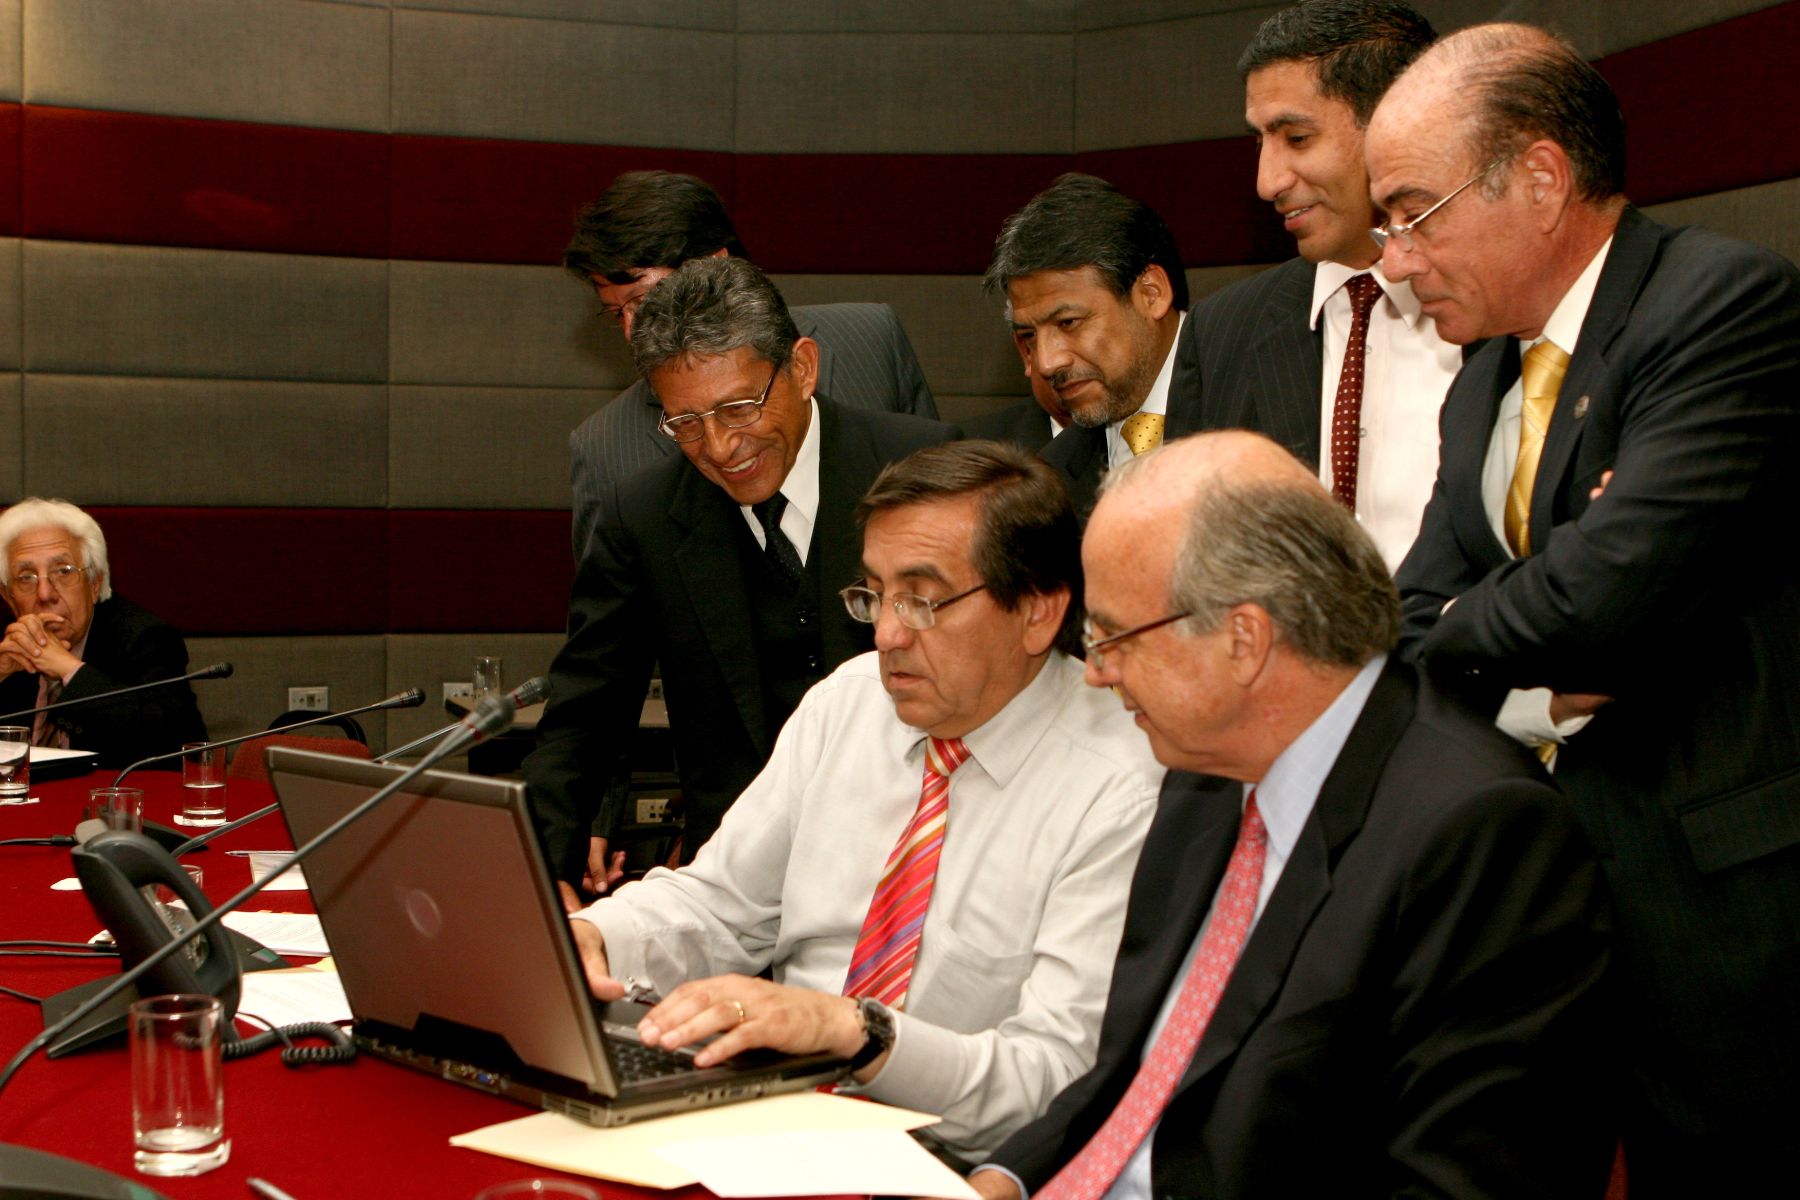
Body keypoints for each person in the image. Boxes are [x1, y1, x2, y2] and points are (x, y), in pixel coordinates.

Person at [1366, 23, 1800, 1190]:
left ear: (1543, 178)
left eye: (1412, 213)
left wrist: (1490, 619)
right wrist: (1536, 699)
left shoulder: (1723, 305)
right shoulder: (1485, 383)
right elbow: (1404, 623)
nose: (1394, 262)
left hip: (1722, 919)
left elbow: (1612, 591)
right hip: (1545, 911)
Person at [972, 432, 1614, 1199]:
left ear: (1244, 639)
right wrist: (1001, 1181)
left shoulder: (1481, 837)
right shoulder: (1201, 778)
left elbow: (1464, 1182)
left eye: (1114, 638)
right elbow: (1135, 1077)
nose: (1097, 673)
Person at [568, 441, 1160, 1163]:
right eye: (874, 594)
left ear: (1037, 611)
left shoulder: (1121, 785)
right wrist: (597, 936)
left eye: (923, 599)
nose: (885, 635)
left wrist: (857, 1032)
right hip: (774, 1122)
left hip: (959, 1157)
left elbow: (1054, 1082)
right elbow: (719, 905)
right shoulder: (848, 704)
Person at [525, 256, 954, 902]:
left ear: (803, 369)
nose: (721, 447)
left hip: (915, 869)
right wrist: (541, 873)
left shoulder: (924, 471)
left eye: (739, 408)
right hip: (736, 891)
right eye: (686, 424)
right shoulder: (641, 517)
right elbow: (583, 717)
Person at [1178, 0, 1459, 570]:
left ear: (1395, 123)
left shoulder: (1504, 304)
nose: (1267, 181)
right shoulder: (1221, 333)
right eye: (1260, 141)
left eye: (1297, 138)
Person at [565, 170, 938, 557]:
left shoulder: (870, 343)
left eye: (644, 301)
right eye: (616, 313)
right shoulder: (604, 448)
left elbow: (954, 502)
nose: (631, 330)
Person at [985, 174, 1188, 513]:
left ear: (1151, 294)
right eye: (1030, 335)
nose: (1047, 362)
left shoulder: (1261, 396)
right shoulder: (1046, 483)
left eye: (1068, 323)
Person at [0, 498, 206, 767]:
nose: (45, 594)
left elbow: (174, 747)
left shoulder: (144, 638)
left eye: (63, 572)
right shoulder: (9, 645)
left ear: (94, 583)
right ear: (9, 597)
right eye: (26, 577)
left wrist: (68, 669)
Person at [962, 328, 1071, 451]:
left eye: (1069, 323)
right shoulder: (971, 449)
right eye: (1031, 336)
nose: (1048, 366)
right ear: (1026, 351)